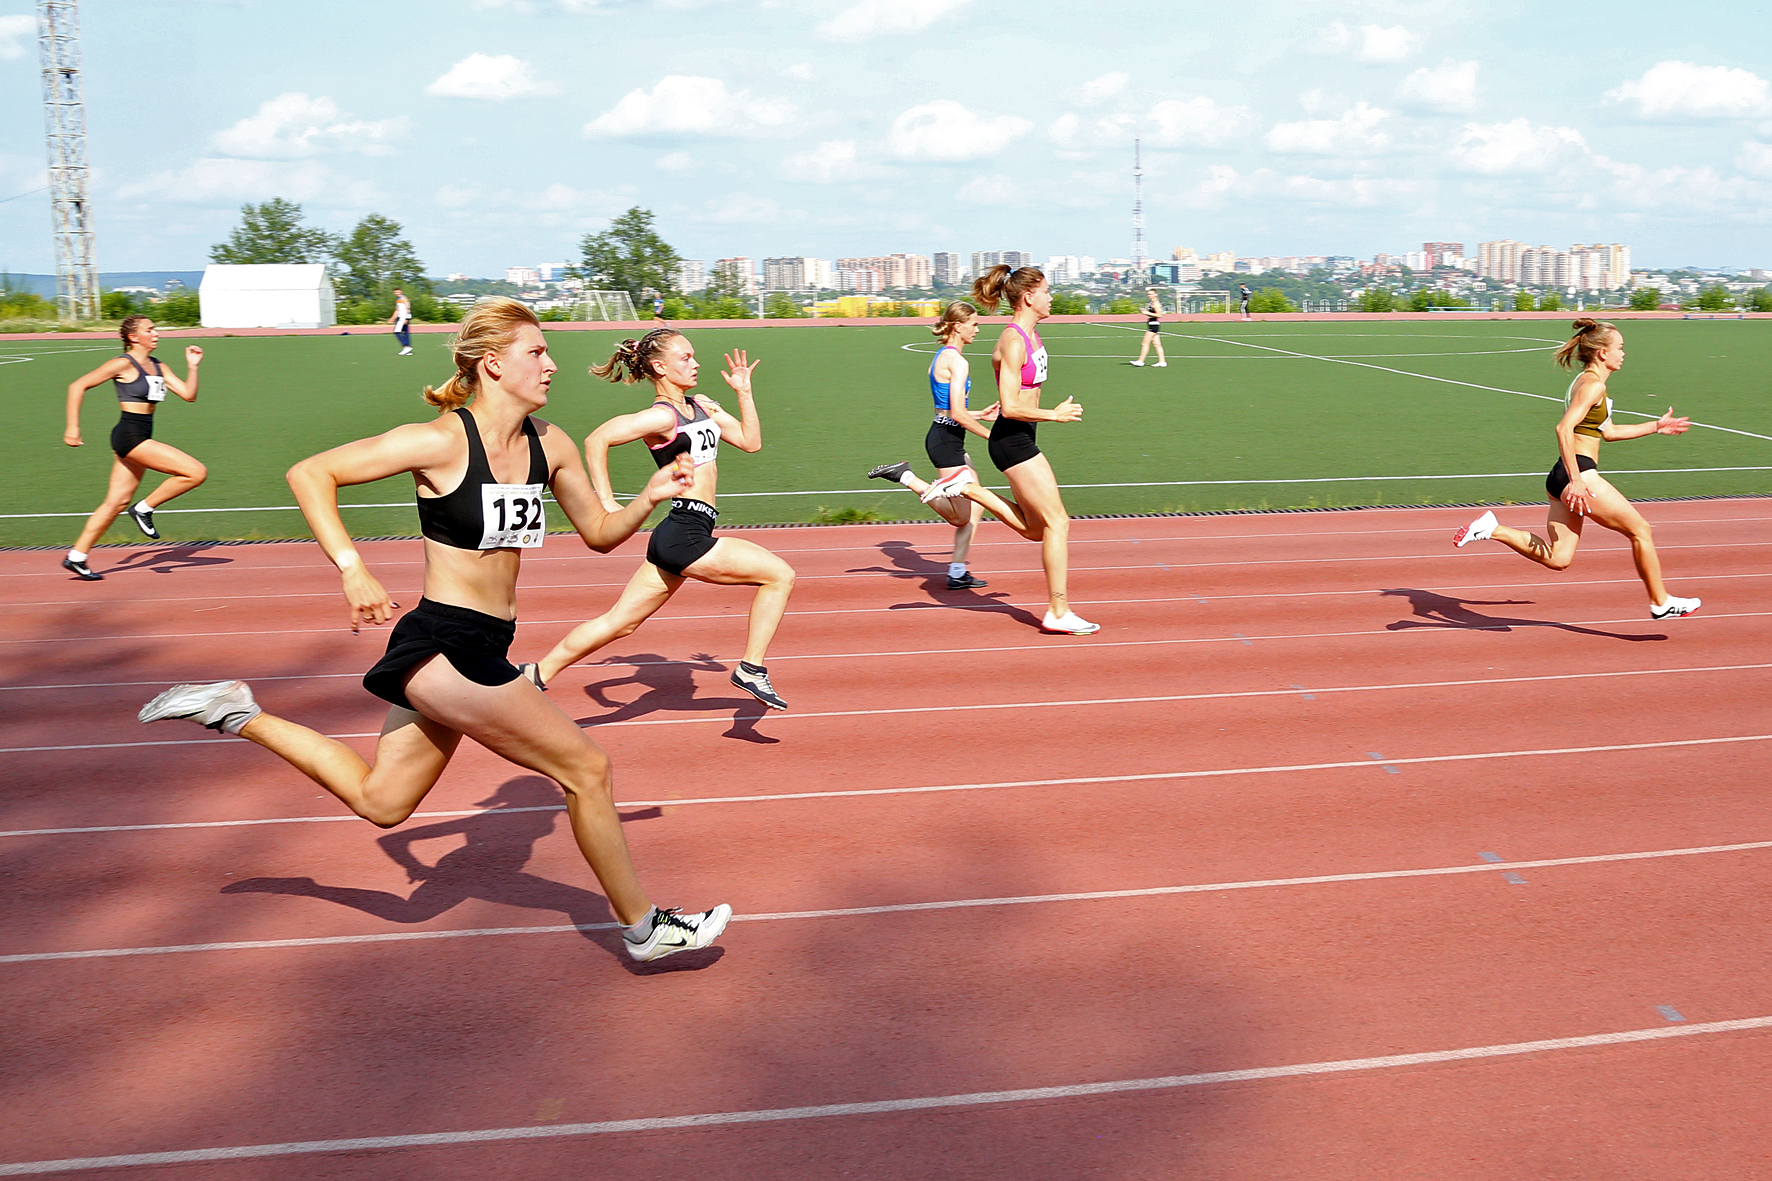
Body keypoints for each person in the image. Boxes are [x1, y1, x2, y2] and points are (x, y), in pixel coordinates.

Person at [136, 298, 730, 963]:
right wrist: (352, 567)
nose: (551, 364)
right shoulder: (443, 440)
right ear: (492, 363)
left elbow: (597, 534)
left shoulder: (549, 444)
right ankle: (645, 927)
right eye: (536, 352)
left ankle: (235, 711)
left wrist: (647, 501)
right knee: (588, 769)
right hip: (446, 643)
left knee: (383, 802)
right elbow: (311, 473)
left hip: (484, 642)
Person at [528, 328, 797, 709]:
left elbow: (750, 442)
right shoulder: (660, 417)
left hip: (681, 532)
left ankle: (536, 674)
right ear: (660, 367)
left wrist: (744, 391)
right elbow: (596, 440)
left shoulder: (701, 405)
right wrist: (607, 502)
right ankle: (751, 669)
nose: (696, 362)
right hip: (685, 532)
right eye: (686, 358)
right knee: (780, 574)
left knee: (620, 622)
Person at [1453, 318, 1701, 621]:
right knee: (1641, 531)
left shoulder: (1587, 382)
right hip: (1579, 474)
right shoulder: (1594, 386)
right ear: (1602, 353)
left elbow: (1607, 432)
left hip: (1561, 475)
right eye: (1620, 348)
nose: (1624, 353)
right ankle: (1660, 601)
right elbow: (1563, 429)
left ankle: (1493, 529)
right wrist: (1577, 482)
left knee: (1559, 558)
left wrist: (1655, 426)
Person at [919, 265, 1097, 634]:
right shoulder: (1013, 340)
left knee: (1036, 530)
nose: (1051, 297)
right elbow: (1011, 405)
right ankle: (1058, 611)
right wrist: (1055, 415)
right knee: (1058, 522)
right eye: (1046, 291)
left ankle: (967, 489)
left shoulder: (1032, 336)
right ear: (1029, 296)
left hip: (1021, 438)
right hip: (1012, 440)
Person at [58, 315, 206, 580]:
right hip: (130, 436)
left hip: (141, 434)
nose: (156, 333)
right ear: (133, 337)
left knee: (115, 502)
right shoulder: (122, 364)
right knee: (195, 472)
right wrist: (72, 427)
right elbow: (77, 386)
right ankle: (144, 509)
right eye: (150, 330)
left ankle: (77, 556)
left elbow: (188, 395)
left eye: (155, 329)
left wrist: (192, 366)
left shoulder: (159, 365)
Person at [867, 300, 995, 589]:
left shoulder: (941, 356)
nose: (977, 329)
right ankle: (907, 477)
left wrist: (981, 415)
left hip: (946, 435)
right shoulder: (958, 361)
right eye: (974, 324)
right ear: (959, 326)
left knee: (977, 504)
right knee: (961, 517)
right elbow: (957, 414)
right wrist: (993, 436)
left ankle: (957, 571)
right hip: (946, 444)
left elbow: (947, 410)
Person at [1131, 288, 1168, 367]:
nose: (1149, 296)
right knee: (1157, 344)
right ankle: (1162, 361)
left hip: (1154, 325)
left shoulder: (1156, 304)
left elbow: (1159, 315)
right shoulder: (1152, 303)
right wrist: (1146, 312)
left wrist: (1147, 312)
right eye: (1148, 294)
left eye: (1151, 294)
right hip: (1152, 324)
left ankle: (1141, 361)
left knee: (1145, 343)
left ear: (1155, 294)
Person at [388, 288, 413, 356]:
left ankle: (405, 346)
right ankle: (407, 348)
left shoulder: (403, 298)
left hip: (403, 318)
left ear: (401, 292)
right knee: (405, 332)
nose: (396, 293)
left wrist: (406, 318)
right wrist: (392, 318)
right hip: (401, 317)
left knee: (397, 332)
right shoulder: (398, 300)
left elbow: (407, 308)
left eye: (398, 292)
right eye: (395, 292)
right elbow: (397, 310)